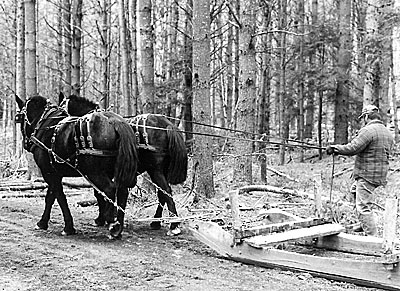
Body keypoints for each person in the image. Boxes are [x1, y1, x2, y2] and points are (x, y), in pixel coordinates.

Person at [326, 104, 394, 236]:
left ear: (367, 117)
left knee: (363, 206)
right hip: (379, 174)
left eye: (363, 118)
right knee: (354, 191)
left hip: (367, 174)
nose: (363, 121)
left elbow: (353, 148)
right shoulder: (386, 132)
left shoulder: (368, 130)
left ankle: (372, 237)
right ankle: (363, 223)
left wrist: (336, 148)